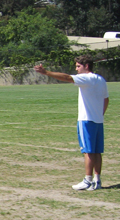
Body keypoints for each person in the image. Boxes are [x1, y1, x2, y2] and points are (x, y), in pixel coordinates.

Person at [34, 55, 109, 190]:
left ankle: (87, 180)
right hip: (98, 120)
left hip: (86, 120)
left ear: (86, 66)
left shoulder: (87, 78)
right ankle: (97, 181)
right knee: (97, 152)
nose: (77, 69)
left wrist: (46, 72)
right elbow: (106, 99)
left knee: (88, 152)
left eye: (78, 66)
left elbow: (67, 78)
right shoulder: (101, 79)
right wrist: (100, 114)